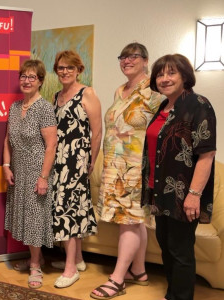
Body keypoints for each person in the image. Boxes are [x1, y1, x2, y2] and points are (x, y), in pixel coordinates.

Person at [91, 43, 163, 299]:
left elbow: (159, 131)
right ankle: (140, 271)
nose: (127, 61)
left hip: (135, 168)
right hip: (114, 165)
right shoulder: (120, 90)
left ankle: (117, 280)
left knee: (129, 221)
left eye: (134, 56)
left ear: (145, 60)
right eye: (123, 57)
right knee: (136, 220)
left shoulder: (155, 91)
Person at [143, 54, 216, 300]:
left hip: (183, 193)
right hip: (160, 190)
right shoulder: (163, 107)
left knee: (180, 251)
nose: (165, 79)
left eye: (171, 73)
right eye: (160, 74)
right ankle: (172, 294)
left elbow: (206, 155)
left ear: (184, 76)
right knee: (166, 245)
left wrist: (194, 195)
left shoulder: (197, 104)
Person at [3, 59, 57, 289]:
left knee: (35, 217)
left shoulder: (44, 107)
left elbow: (51, 145)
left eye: (32, 77)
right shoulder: (15, 107)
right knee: (24, 215)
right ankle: (36, 257)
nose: (26, 81)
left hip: (36, 170)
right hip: (18, 169)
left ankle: (36, 264)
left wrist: (43, 177)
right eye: (23, 76)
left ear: (40, 81)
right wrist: (6, 165)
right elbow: (8, 139)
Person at [50, 50, 102, 288]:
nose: (65, 71)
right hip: (58, 162)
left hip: (77, 161)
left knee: (68, 210)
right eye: (61, 67)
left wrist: (91, 160)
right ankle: (77, 259)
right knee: (67, 207)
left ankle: (71, 270)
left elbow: (97, 131)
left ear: (79, 69)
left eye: (69, 68)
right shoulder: (55, 96)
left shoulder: (87, 93)